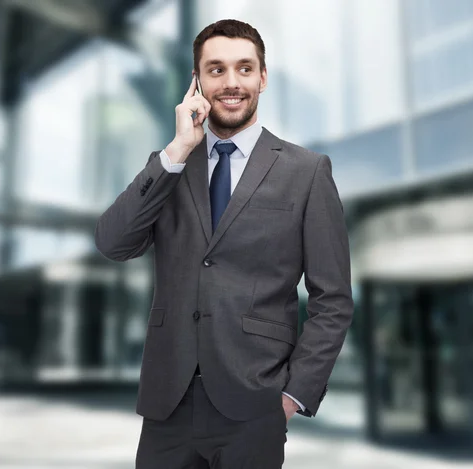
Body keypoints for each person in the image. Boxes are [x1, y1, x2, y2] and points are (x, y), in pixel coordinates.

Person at [94, 18, 353, 469]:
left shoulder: (307, 172)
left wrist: (292, 396)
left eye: (244, 69)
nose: (231, 83)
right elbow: (113, 243)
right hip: (167, 405)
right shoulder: (170, 167)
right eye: (216, 70)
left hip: (256, 405)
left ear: (262, 77)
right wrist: (175, 151)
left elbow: (333, 299)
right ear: (196, 81)